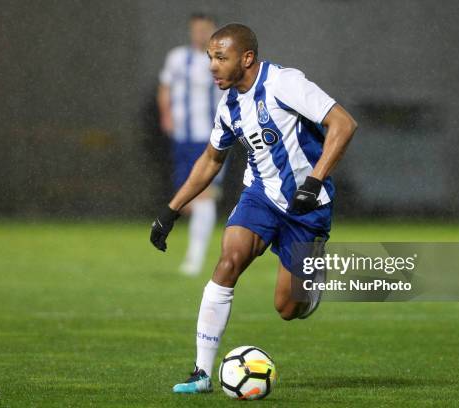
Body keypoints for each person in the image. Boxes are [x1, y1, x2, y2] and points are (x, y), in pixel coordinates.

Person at [150, 23, 357, 394]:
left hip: (309, 206)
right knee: (228, 261)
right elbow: (211, 161)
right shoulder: (229, 105)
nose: (212, 66)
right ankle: (200, 373)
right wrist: (172, 210)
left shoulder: (284, 84)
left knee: (287, 307)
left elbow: (343, 123)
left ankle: (313, 278)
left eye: (220, 58)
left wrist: (314, 181)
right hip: (260, 195)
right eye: (210, 58)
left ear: (246, 59)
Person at [157, 13, 224, 276]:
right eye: (196, 30)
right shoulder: (177, 58)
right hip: (182, 138)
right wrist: (166, 114)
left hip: (210, 138)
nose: (200, 34)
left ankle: (194, 260)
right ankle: (196, 254)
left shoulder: (221, 59)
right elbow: (165, 87)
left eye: (205, 30)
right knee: (185, 202)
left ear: (214, 31)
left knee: (204, 195)